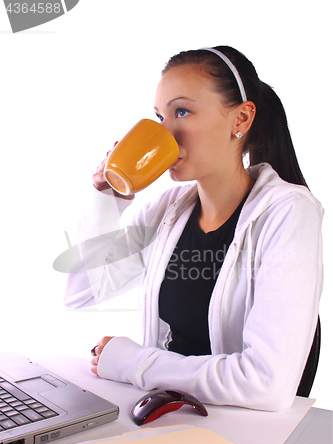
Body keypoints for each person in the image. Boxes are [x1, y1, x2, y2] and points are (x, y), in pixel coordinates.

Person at [64, 46, 324, 411]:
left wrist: (134, 363)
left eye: (182, 112)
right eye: (159, 117)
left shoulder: (288, 214)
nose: (166, 135)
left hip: (240, 439)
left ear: (241, 119)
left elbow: (266, 384)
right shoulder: (169, 209)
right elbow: (79, 291)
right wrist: (107, 198)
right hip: (171, 422)